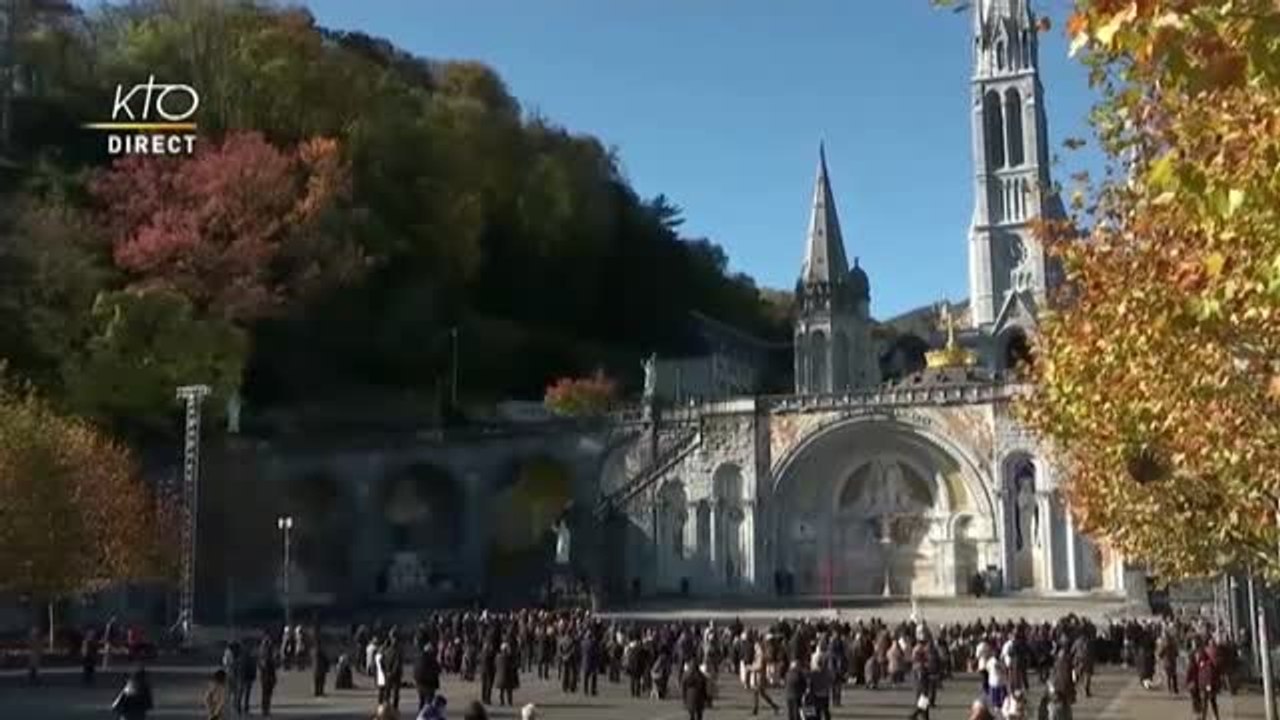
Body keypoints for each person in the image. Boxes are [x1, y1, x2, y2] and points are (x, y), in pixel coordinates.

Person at [1187, 646, 1221, 720]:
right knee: (1206, 702)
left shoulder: (1207, 664)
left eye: (1198, 656)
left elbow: (1209, 676)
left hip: (1207, 686)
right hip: (1202, 685)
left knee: (1210, 701)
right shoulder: (1199, 664)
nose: (1197, 657)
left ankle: (1212, 716)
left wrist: (1209, 686)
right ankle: (1205, 717)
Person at [415, 643, 442, 710]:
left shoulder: (418, 658)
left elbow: (415, 670)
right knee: (429, 703)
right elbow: (438, 669)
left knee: (421, 701)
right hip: (429, 684)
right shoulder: (431, 658)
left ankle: (420, 716)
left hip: (419, 683)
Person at [236, 640, 258, 716]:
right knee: (242, 693)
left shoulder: (248, 656)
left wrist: (253, 675)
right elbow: (243, 667)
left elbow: (252, 667)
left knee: (245, 694)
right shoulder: (244, 656)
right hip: (244, 677)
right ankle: (240, 708)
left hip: (247, 677)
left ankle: (243, 709)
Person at [259, 637, 278, 717]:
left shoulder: (264, 656)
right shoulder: (266, 657)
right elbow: (266, 668)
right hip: (267, 678)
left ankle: (266, 709)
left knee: (267, 694)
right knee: (266, 694)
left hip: (267, 678)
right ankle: (265, 710)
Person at [497, 641, 520, 706]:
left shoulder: (498, 657)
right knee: (509, 691)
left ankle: (502, 702)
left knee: (501, 691)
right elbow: (513, 666)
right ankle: (509, 702)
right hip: (508, 676)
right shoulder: (509, 657)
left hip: (500, 676)